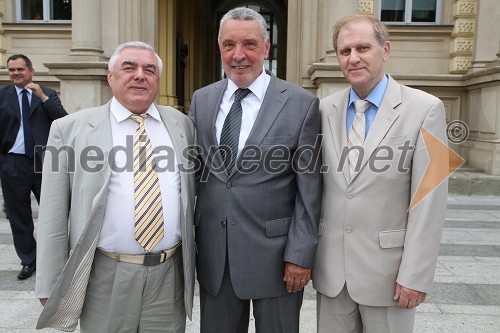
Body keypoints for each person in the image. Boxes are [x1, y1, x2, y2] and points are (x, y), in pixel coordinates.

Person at [35, 41, 196, 332]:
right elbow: (52, 215)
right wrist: (49, 281)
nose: (139, 75)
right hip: (104, 276)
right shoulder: (70, 129)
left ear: (157, 79)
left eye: (149, 69)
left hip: (168, 276)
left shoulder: (181, 124)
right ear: (111, 77)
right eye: (129, 67)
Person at [189, 7, 322, 333]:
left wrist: (300, 255)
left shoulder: (300, 103)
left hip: (277, 260)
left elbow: (310, 190)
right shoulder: (202, 100)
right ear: (219, 47)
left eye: (249, 44)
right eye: (228, 44)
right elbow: (192, 174)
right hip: (216, 258)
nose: (238, 55)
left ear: (266, 48)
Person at [313, 14, 448, 333]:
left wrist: (415, 275)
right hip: (332, 276)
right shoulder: (322, 110)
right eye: (345, 51)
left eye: (363, 47)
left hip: (390, 278)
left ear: (385, 50)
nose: (353, 58)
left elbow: (430, 201)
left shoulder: (428, 109)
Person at [0, 54, 67, 280]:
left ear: (31, 71)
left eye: (20, 69)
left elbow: (63, 121)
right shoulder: (3, 96)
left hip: (42, 162)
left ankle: (56, 259)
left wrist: (42, 97)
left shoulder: (47, 94)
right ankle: (29, 261)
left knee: (53, 214)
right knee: (19, 217)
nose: (16, 73)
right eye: (11, 70)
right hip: (13, 163)